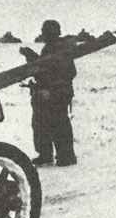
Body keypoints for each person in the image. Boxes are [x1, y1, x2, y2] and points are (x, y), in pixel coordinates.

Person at [20, 20, 77, 166]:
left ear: (51, 33)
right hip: (50, 92)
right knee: (42, 124)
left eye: (45, 31)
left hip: (57, 93)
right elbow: (43, 67)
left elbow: (66, 73)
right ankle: (47, 155)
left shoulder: (59, 49)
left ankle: (65, 156)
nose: (42, 34)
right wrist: (31, 56)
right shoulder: (53, 47)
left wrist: (49, 89)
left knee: (58, 124)